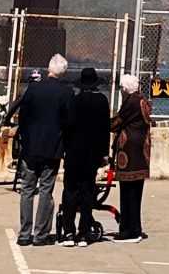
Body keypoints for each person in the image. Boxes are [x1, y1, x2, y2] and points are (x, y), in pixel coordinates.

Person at [11, 54, 74, 247]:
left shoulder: (33, 88)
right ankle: (40, 234)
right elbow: (69, 122)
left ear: (48, 69)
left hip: (31, 147)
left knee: (27, 190)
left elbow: (23, 117)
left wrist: (25, 139)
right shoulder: (66, 92)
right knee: (46, 190)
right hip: (52, 148)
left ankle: (24, 234)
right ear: (64, 72)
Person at [62, 67, 113, 246]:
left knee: (70, 190)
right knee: (87, 191)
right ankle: (83, 232)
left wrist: (65, 148)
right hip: (92, 154)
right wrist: (104, 153)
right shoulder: (102, 101)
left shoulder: (74, 101)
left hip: (74, 152)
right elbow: (105, 130)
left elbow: (67, 127)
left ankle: (68, 232)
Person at [109, 72, 153, 243]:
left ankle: (129, 230)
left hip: (130, 153)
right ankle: (134, 228)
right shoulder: (142, 100)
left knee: (128, 193)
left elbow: (117, 122)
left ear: (125, 89)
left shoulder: (131, 102)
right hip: (141, 153)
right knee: (136, 193)